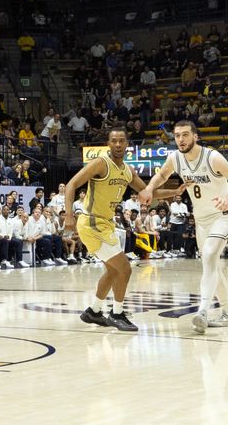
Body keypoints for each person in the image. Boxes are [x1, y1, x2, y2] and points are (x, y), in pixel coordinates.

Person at [65, 128, 181, 332]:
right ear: (108, 144)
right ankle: (117, 313)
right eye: (113, 141)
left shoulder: (127, 170)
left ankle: (94, 311)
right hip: (91, 222)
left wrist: (176, 191)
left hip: (106, 223)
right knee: (124, 268)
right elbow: (71, 185)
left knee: (113, 270)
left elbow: (148, 193)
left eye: (121, 141)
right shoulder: (101, 163)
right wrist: (68, 215)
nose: (118, 144)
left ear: (127, 144)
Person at [139, 120, 228, 334]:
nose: (181, 139)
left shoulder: (212, 157)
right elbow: (162, 175)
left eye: (185, 135)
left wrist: (226, 195)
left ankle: (203, 311)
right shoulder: (175, 158)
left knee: (208, 256)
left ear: (195, 136)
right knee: (212, 265)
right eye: (177, 135)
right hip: (201, 219)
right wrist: (150, 188)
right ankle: (226, 311)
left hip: (222, 215)